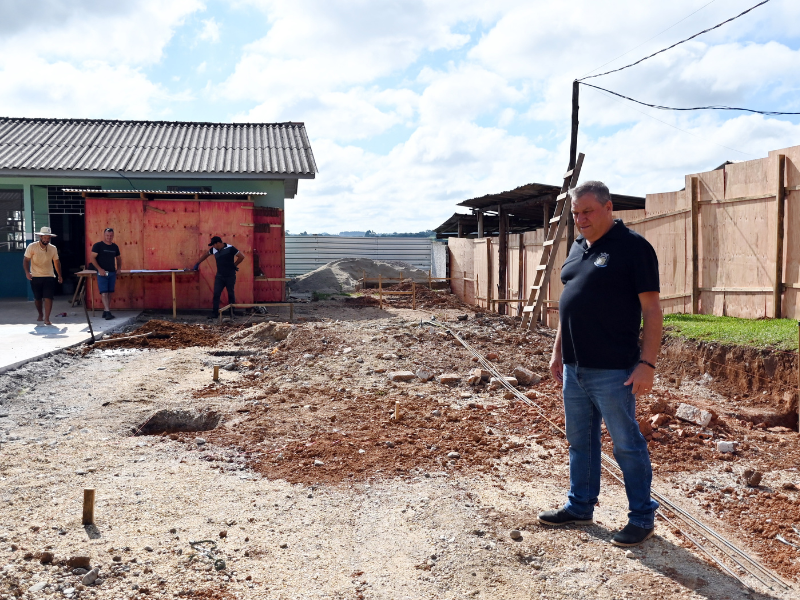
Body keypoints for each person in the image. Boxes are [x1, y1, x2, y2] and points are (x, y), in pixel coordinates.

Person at [537, 180, 662, 547]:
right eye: (576, 214)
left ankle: (641, 516)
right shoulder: (577, 248)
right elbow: (568, 305)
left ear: (609, 208)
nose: (581, 219)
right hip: (574, 369)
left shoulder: (634, 248)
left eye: (588, 211)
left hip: (614, 371)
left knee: (626, 444)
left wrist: (647, 364)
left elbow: (652, 310)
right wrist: (558, 352)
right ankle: (580, 506)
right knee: (580, 442)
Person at [192, 236, 245, 318]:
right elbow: (206, 255)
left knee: (230, 294)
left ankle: (232, 314)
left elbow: (241, 256)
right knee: (216, 294)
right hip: (219, 276)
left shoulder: (230, 248)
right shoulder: (214, 250)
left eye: (214, 244)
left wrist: (234, 265)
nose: (213, 246)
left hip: (230, 276)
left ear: (218, 243)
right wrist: (198, 263)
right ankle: (215, 313)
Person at [22, 226, 63, 326]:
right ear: (40, 237)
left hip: (49, 275)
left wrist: (59, 275)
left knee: (49, 297)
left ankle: (47, 319)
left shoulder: (53, 248)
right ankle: (40, 314)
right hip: (35, 276)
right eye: (44, 237)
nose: (46, 240)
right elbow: (26, 260)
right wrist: (27, 272)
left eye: (48, 238)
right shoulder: (32, 246)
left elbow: (56, 262)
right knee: (38, 298)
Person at [89, 227, 122, 320]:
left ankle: (105, 310)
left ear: (113, 236)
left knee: (110, 292)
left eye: (111, 235)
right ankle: (108, 312)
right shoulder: (98, 246)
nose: (109, 237)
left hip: (112, 272)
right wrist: (99, 269)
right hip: (102, 273)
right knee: (104, 293)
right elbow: (92, 258)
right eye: (107, 235)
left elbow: (119, 258)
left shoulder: (115, 247)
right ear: (104, 235)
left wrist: (119, 268)